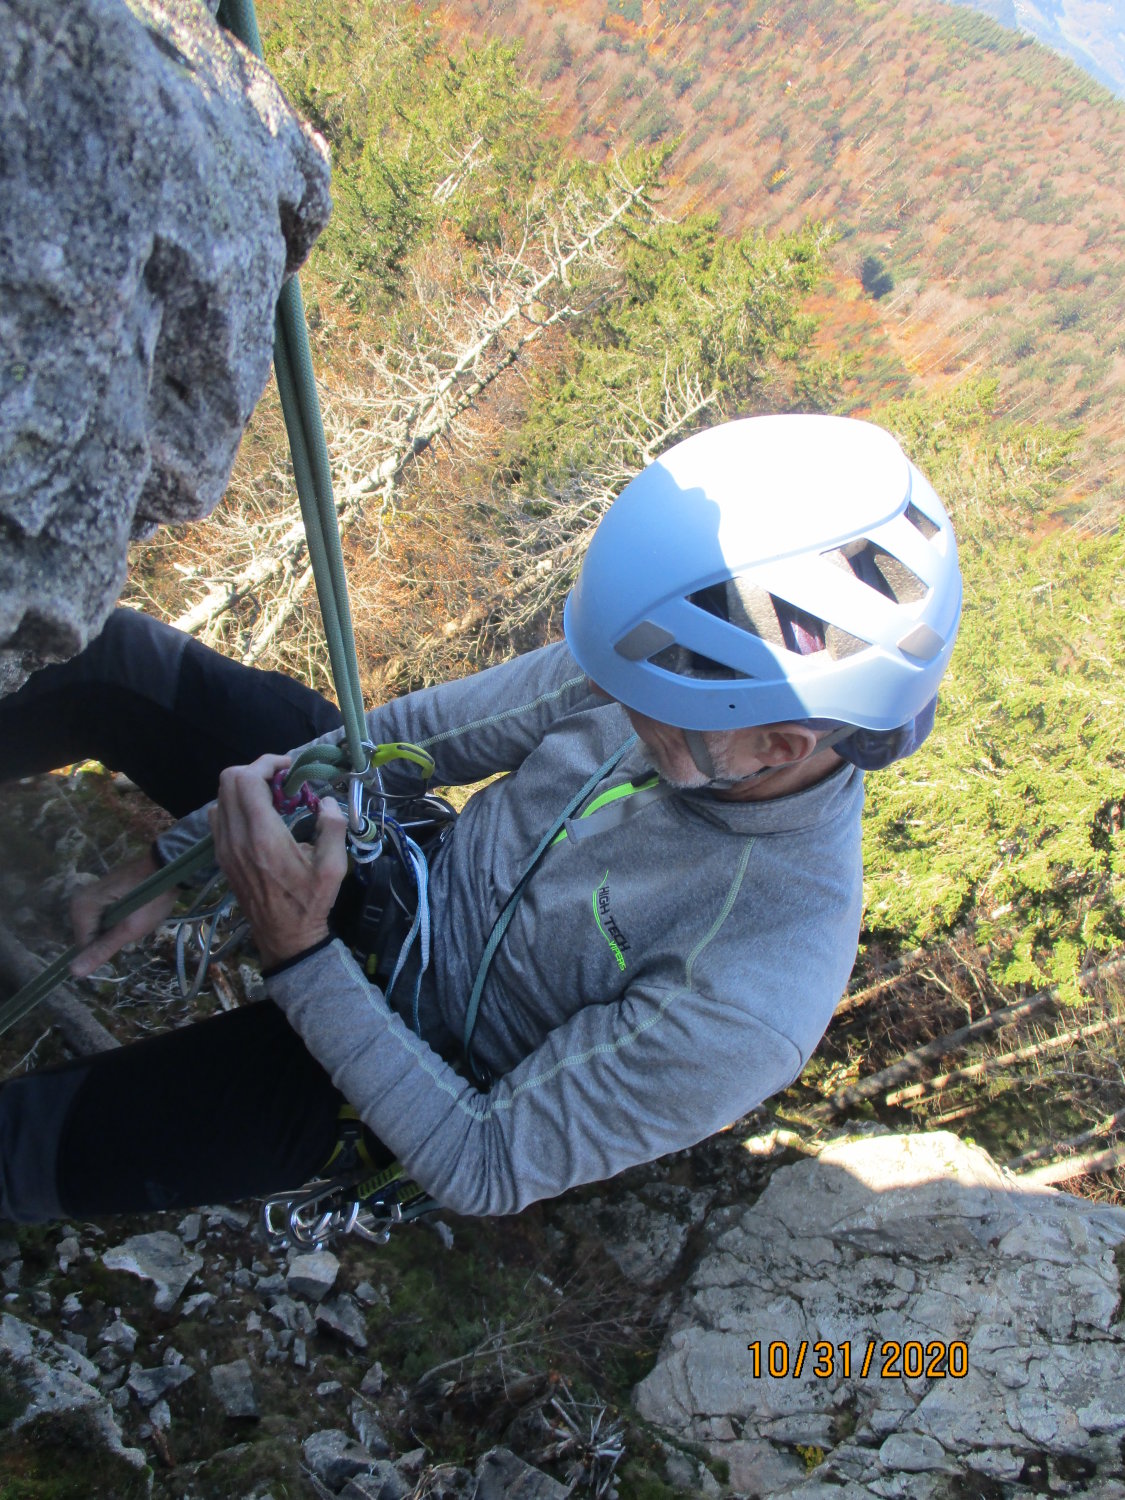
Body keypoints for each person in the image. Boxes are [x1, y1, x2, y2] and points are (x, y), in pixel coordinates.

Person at [0, 414, 961, 1225]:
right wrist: (167, 866)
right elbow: (411, 739)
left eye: (646, 711)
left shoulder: (759, 981)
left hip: (408, 1076)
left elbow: (484, 1162)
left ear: (778, 744)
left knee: (31, 1147)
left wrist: (298, 950)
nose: (609, 703)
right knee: (119, 666)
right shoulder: (666, 660)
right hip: (401, 868)